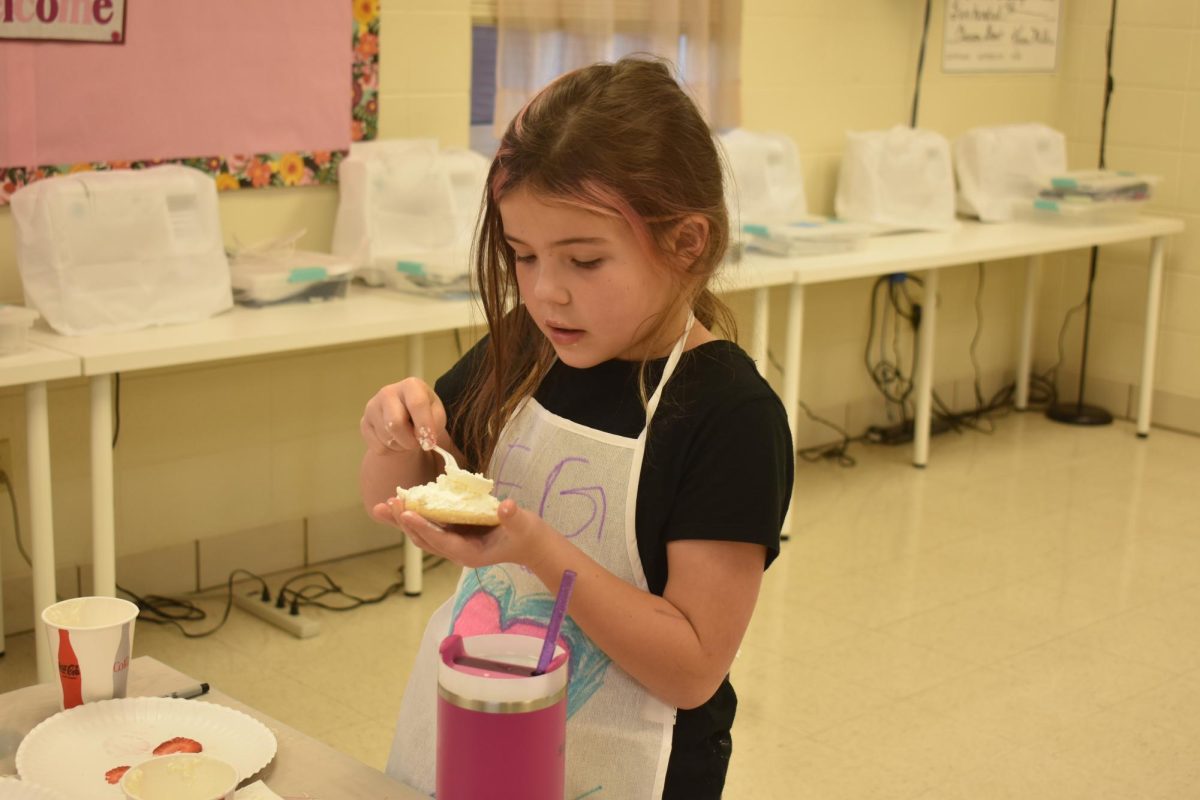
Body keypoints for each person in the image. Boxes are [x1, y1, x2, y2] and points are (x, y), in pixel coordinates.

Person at [359, 56, 792, 799]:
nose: (545, 292)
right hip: (476, 723)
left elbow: (692, 668)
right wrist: (394, 435)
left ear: (687, 243)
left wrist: (533, 548)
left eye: (584, 261)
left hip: (632, 766)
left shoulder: (728, 415)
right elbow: (408, 489)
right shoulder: (528, 348)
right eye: (523, 256)